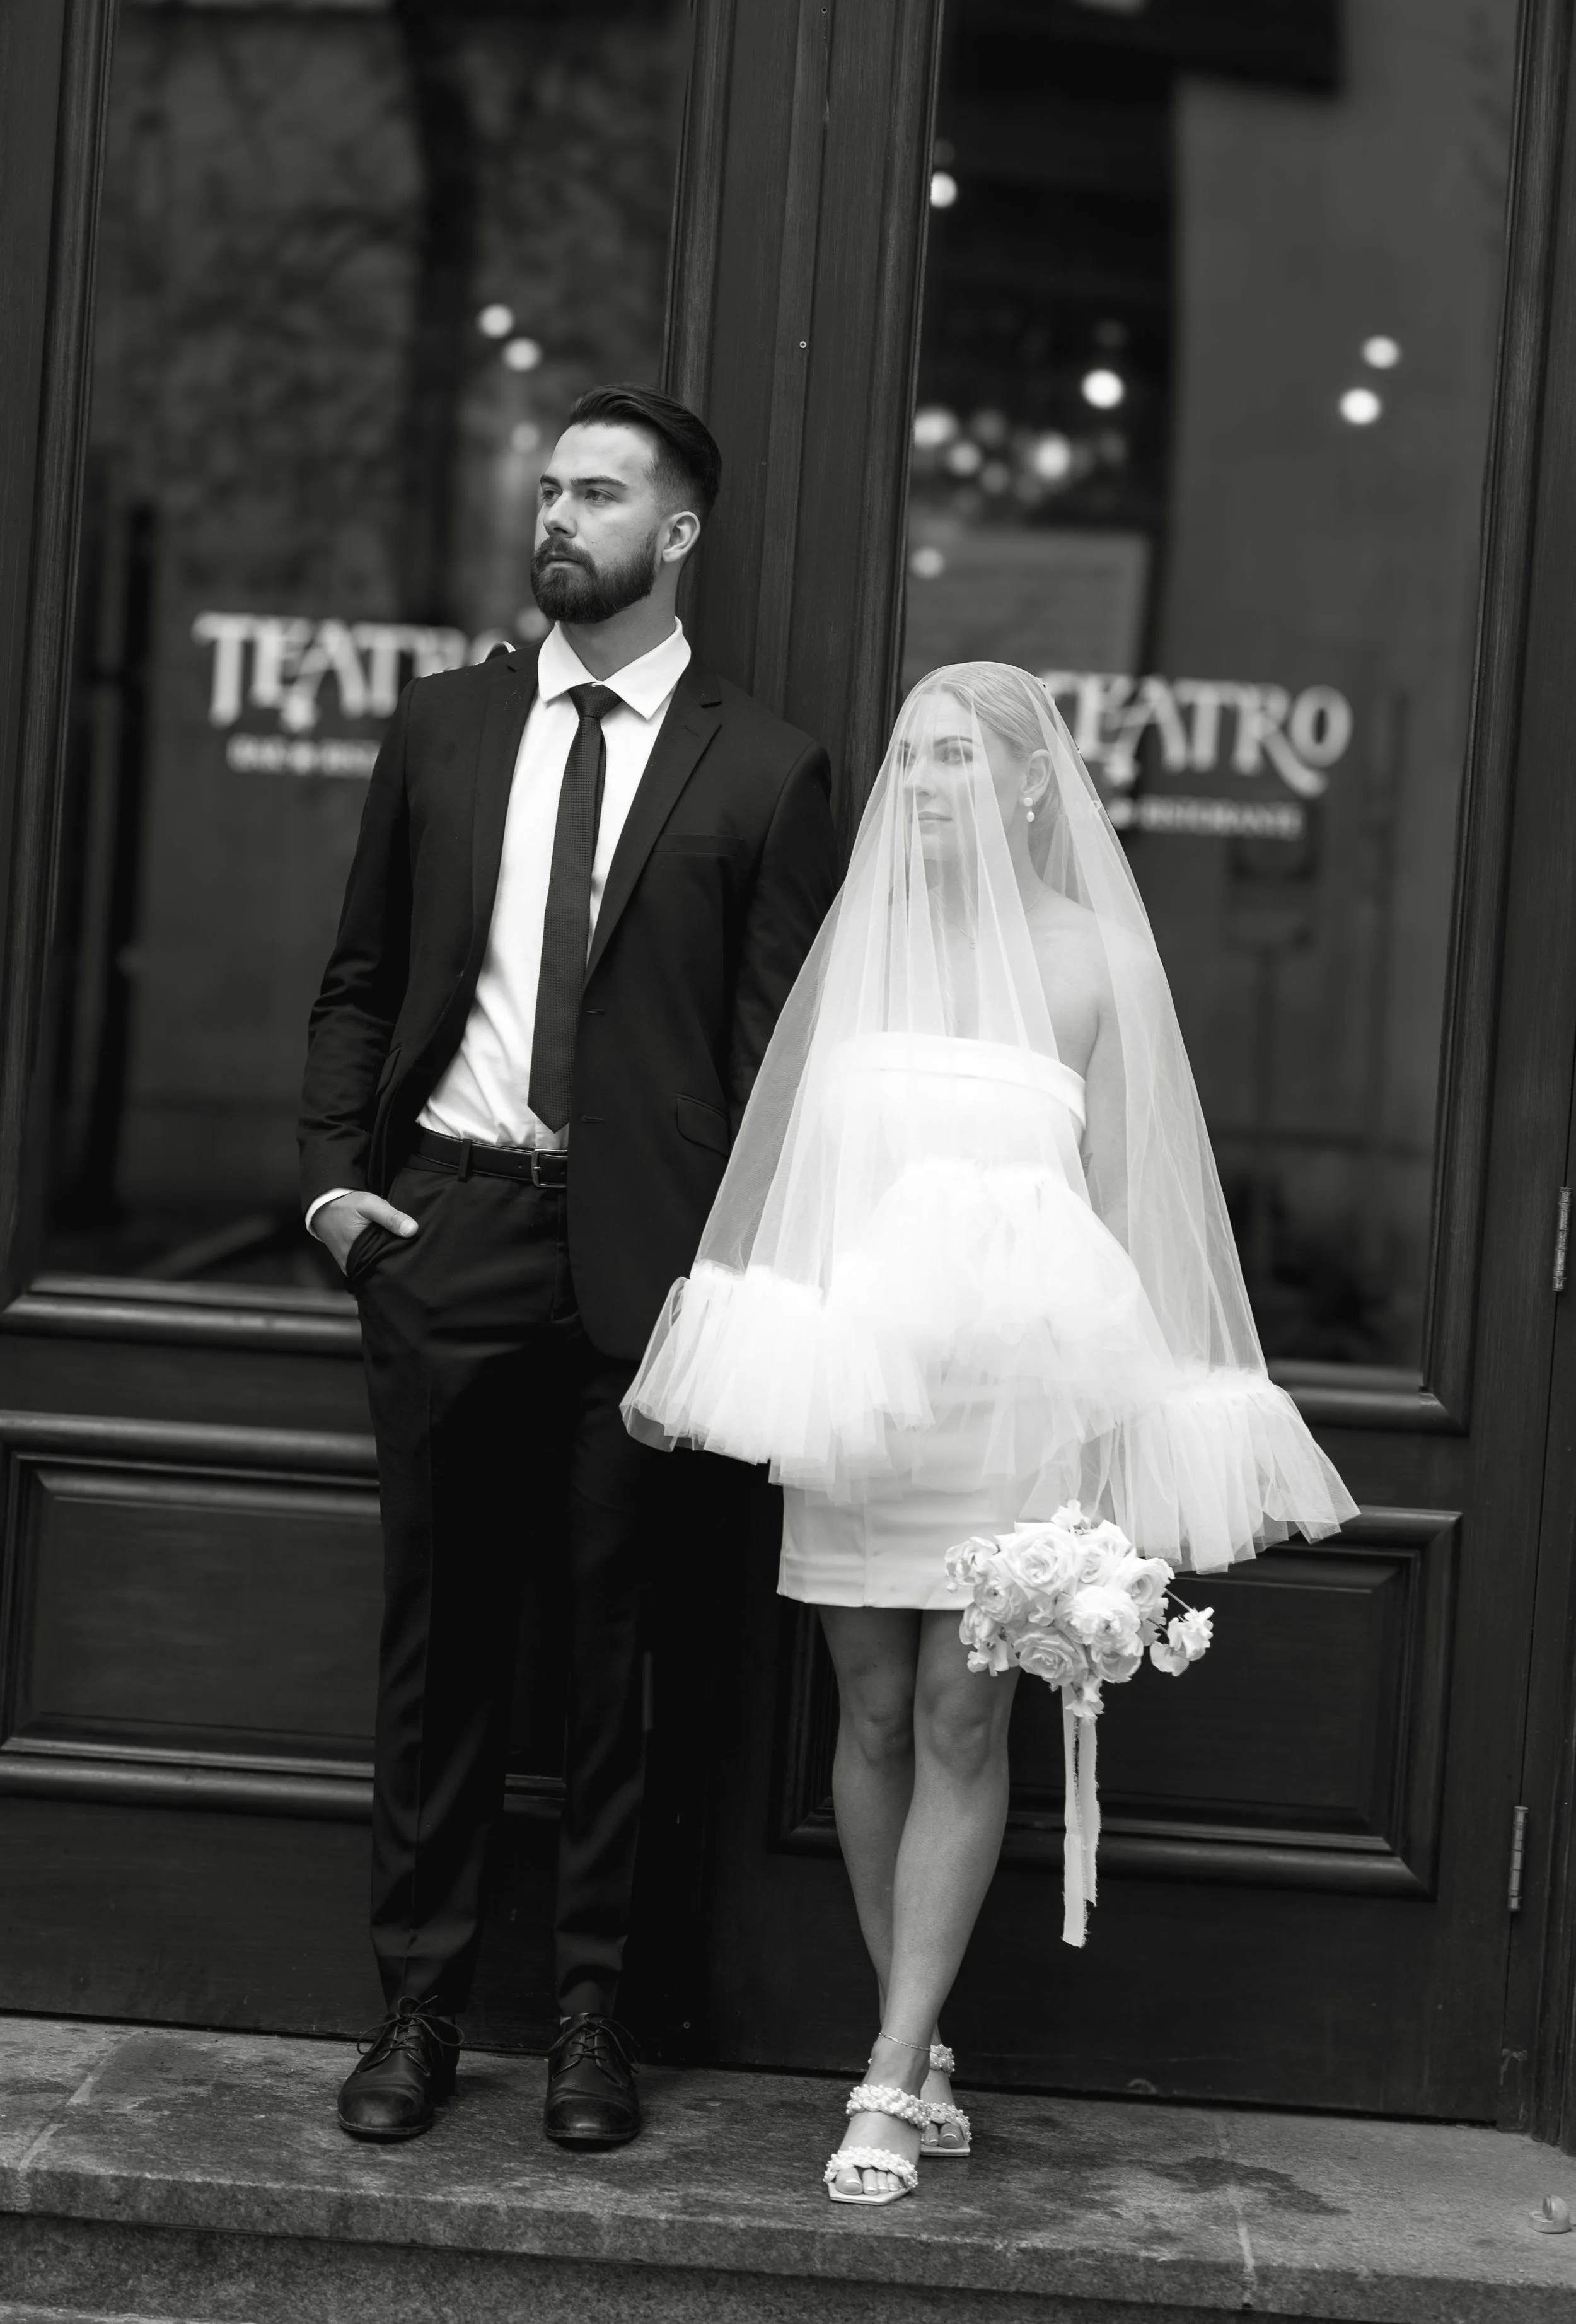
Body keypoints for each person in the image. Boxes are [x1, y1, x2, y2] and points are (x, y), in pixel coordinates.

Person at [625, 661, 1357, 2205]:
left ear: (1030, 782)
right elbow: (789, 1178)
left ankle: (887, 2071)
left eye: (956, 756)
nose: (928, 780)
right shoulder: (860, 957)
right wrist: (722, 1349)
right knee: (874, 1714)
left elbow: (1144, 1197)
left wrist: (1150, 1415)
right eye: (911, 756)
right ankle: (926, 2042)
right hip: (861, 1394)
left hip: (1016, 1407)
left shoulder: (1093, 960)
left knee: (965, 1719)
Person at [298, 385, 838, 2151]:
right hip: (447, 1230)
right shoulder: (445, 727)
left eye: (596, 492)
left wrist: (735, 1280)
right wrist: (332, 1189)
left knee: (621, 1662)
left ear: (675, 534)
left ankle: (595, 2014)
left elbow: (774, 1066)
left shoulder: (763, 768)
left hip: (645, 1282)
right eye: (548, 487)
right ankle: (420, 2004)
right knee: (440, 1649)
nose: (558, 513)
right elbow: (360, 972)